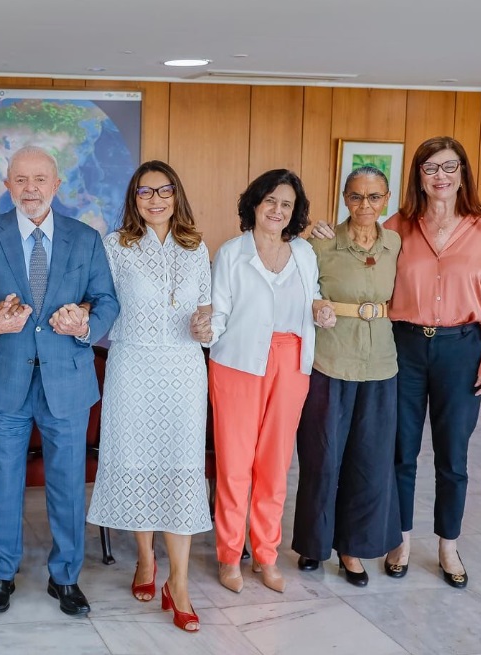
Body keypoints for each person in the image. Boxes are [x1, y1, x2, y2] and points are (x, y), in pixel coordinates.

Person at [313, 137, 481, 587]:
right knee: (401, 452)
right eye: (430, 168)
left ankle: (448, 546)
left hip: (461, 347)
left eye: (448, 167)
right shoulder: (399, 226)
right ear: (418, 176)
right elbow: (357, 248)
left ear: (462, 173)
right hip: (406, 347)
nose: (440, 176)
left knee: (453, 456)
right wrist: (324, 233)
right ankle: (400, 539)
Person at [0, 145, 119, 616]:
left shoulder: (86, 239)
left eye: (40, 179)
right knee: (5, 480)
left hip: (67, 380)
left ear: (56, 184)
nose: (31, 188)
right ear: (7, 185)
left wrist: (84, 326)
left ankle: (65, 577)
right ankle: (2, 573)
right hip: (5, 378)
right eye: (21, 180)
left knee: (67, 483)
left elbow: (105, 300)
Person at [198, 169, 334, 595]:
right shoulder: (232, 253)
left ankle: (266, 555)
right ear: (255, 204)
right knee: (235, 467)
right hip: (237, 363)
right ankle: (229, 556)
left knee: (274, 466)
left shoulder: (305, 254)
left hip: (291, 364)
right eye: (270, 201)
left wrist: (321, 311)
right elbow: (218, 313)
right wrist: (205, 327)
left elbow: (311, 299)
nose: (277, 210)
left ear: (294, 212)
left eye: (287, 204)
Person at [87, 161, 209, 631]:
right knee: (138, 461)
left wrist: (207, 325)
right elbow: (102, 304)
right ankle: (144, 558)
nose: (155, 199)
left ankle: (178, 583)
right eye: (145, 192)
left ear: (177, 194)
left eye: (164, 190)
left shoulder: (195, 246)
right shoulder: (115, 246)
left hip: (182, 369)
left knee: (180, 467)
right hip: (133, 367)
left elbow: (208, 308)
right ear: (133, 199)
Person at [292, 166, 402, 587]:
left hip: (380, 363)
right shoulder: (321, 244)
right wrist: (319, 304)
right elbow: (302, 291)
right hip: (331, 361)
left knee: (369, 461)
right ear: (344, 197)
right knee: (322, 457)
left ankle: (352, 550)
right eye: (356, 197)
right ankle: (312, 546)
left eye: (374, 197)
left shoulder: (394, 242)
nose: (365, 206)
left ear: (386, 199)